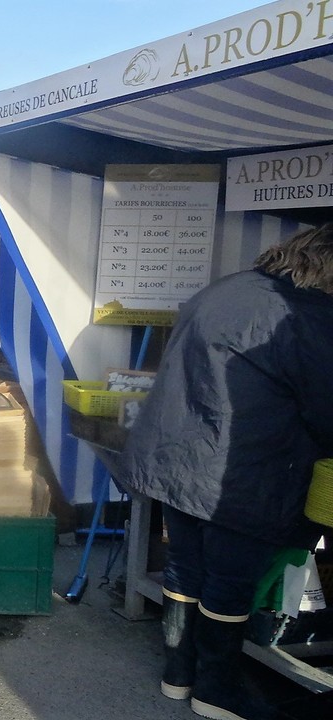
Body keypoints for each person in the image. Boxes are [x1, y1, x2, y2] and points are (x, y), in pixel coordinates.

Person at [120, 224, 333, 720]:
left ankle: (179, 674)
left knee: (186, 566)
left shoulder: (228, 287)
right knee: (229, 581)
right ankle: (216, 690)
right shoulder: (307, 315)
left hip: (178, 459)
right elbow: (326, 410)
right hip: (243, 470)